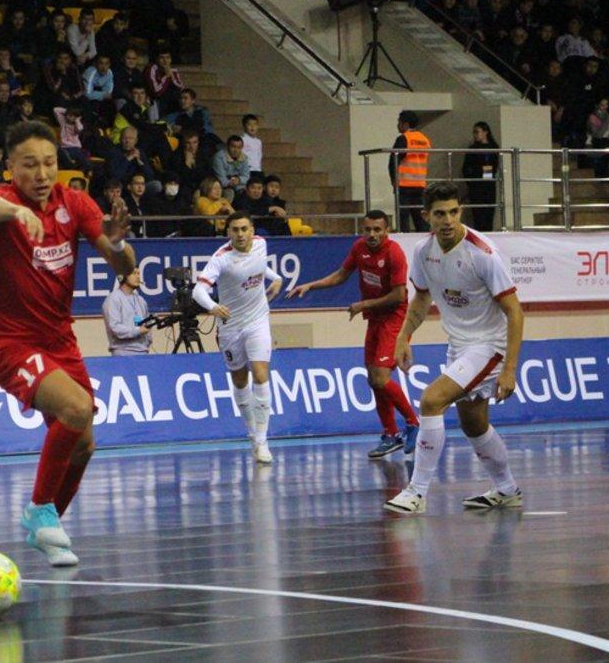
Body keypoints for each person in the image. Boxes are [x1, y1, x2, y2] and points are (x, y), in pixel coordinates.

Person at [0, 120, 134, 567]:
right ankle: (39, 509)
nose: (43, 174)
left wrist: (118, 245)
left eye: (50, 164)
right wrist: (17, 213)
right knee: (77, 408)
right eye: (30, 165)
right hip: (11, 342)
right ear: (11, 168)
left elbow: (121, 265)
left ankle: (48, 524)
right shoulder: (4, 201)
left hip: (60, 341)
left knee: (84, 444)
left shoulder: (74, 202)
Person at [384, 182, 524, 515]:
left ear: (460, 211)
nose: (448, 220)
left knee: (431, 400)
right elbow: (420, 297)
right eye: (440, 214)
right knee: (473, 423)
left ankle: (416, 492)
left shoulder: (482, 253)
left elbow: (514, 311)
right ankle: (507, 489)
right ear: (426, 216)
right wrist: (403, 337)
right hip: (459, 346)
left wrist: (509, 368)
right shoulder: (423, 251)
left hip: (489, 346)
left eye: (454, 212)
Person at [287, 209, 420, 459]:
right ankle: (390, 434)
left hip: (394, 318)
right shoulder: (359, 248)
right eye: (367, 229)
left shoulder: (394, 254)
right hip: (374, 318)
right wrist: (310, 285)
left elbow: (399, 295)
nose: (371, 234)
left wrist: (363, 305)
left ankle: (414, 423)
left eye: (377, 230)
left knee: (381, 378)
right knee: (373, 379)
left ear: (386, 230)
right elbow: (341, 275)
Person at [191, 211, 283, 463]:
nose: (240, 234)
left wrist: (276, 278)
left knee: (261, 372)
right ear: (228, 232)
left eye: (244, 229)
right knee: (240, 381)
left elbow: (259, 266)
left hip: (258, 321)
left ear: (252, 230)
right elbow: (198, 291)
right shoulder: (221, 258)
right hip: (230, 326)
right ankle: (253, 434)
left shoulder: (262, 245)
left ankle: (263, 441)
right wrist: (212, 307)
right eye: (235, 230)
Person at [389, 110, 430, 232]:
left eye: (399, 122)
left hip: (404, 184)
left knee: (403, 219)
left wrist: (393, 180)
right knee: (421, 219)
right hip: (420, 184)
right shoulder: (425, 139)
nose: (397, 125)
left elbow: (393, 161)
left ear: (405, 124)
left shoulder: (403, 139)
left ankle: (404, 241)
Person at [102, 267, 151, 355]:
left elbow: (147, 326)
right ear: (122, 277)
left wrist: (147, 342)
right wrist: (138, 331)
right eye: (134, 273)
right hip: (123, 353)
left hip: (143, 352)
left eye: (138, 273)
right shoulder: (113, 299)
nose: (138, 277)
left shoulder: (141, 300)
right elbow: (115, 328)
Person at [461, 121, 500, 231]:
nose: (475, 135)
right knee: (478, 214)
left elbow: (495, 165)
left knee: (489, 212)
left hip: (489, 184)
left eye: (477, 132)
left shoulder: (493, 147)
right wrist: (471, 182)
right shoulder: (472, 149)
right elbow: (465, 168)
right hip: (476, 185)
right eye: (474, 132)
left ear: (485, 132)